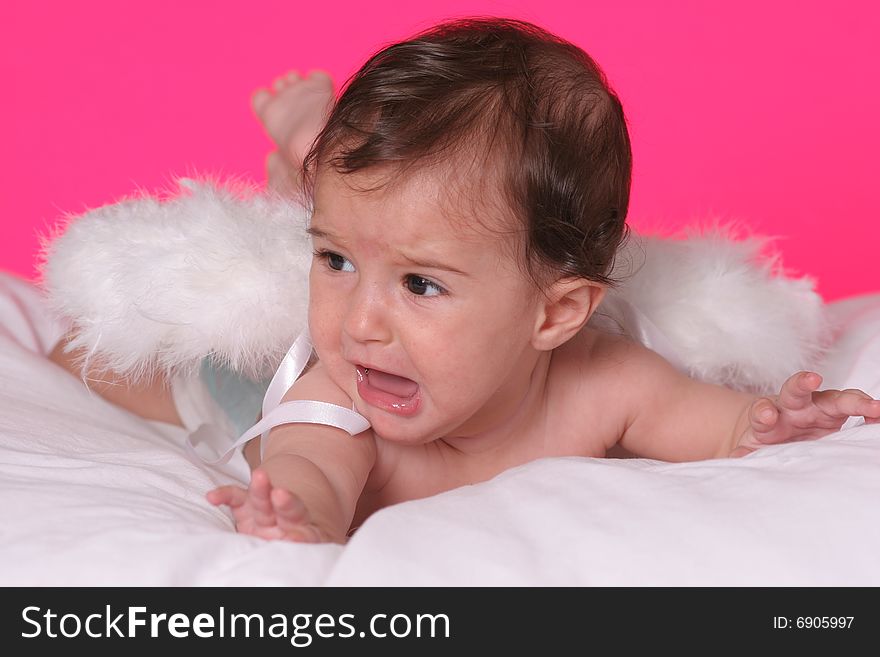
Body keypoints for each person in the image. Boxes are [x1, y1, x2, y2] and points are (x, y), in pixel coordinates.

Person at [49, 18, 880, 544]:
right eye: (332, 263)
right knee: (97, 362)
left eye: (421, 285)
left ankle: (314, 162)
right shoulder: (337, 390)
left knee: (374, 209)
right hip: (244, 377)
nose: (361, 322)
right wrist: (290, 514)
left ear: (555, 314)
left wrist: (779, 420)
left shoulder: (603, 380)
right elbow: (312, 477)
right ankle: (306, 156)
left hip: (423, 242)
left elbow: (725, 423)